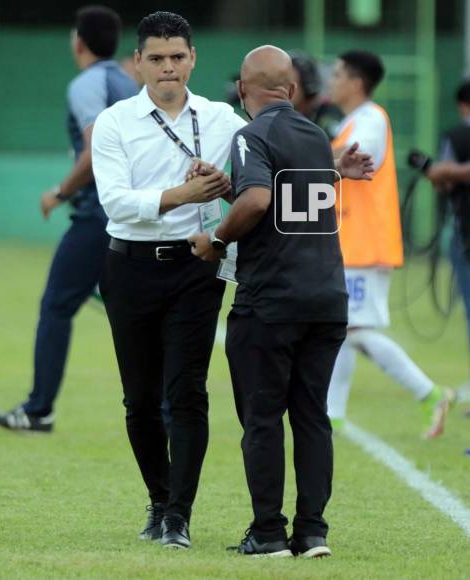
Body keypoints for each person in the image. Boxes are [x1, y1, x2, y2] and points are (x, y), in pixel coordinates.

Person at [190, 46, 372, 558]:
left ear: (244, 91)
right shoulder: (316, 137)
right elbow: (287, 193)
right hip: (326, 300)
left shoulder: (252, 135)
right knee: (312, 415)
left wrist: (217, 242)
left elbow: (257, 200)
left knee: (264, 417)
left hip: (271, 302)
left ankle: (268, 532)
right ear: (290, 91)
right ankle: (313, 532)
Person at [91, 11, 247, 550]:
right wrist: (183, 195)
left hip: (195, 267)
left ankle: (179, 514)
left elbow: (262, 166)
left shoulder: (222, 117)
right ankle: (159, 499)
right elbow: (116, 202)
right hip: (128, 266)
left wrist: (332, 162)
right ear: (138, 62)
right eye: (156, 58)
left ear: (192, 59)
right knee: (139, 399)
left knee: (187, 393)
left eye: (177, 57)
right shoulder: (114, 122)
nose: (168, 68)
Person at [0, 6, 138, 433]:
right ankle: (164, 405)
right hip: (133, 213)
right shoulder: (128, 81)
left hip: (99, 214)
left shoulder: (86, 85)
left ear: (78, 42)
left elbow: (95, 152)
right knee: (138, 310)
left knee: (55, 306)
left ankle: (38, 410)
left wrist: (60, 191)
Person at [326, 50, 453, 438]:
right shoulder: (349, 121)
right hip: (349, 241)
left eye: (337, 74)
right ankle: (332, 416)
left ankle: (429, 393)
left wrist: (297, 152)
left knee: (354, 330)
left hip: (365, 242)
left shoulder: (371, 119)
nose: (331, 80)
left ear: (356, 82)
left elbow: (358, 158)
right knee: (343, 329)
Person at [426, 80, 470, 389]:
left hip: (467, 234)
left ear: (461, 104)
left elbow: (441, 181)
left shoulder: (456, 136)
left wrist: (440, 171)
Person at [290, 50, 343, 139]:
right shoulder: (285, 114)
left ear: (308, 85)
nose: (284, 89)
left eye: (291, 84)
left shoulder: (329, 116)